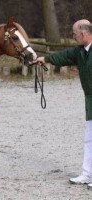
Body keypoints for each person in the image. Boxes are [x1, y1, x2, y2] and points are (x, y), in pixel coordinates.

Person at [36, 19, 92, 189]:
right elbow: (64, 56)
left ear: (83, 34)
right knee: (89, 140)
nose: (73, 37)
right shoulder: (80, 51)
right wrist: (45, 58)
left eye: (74, 35)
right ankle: (87, 173)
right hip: (90, 101)